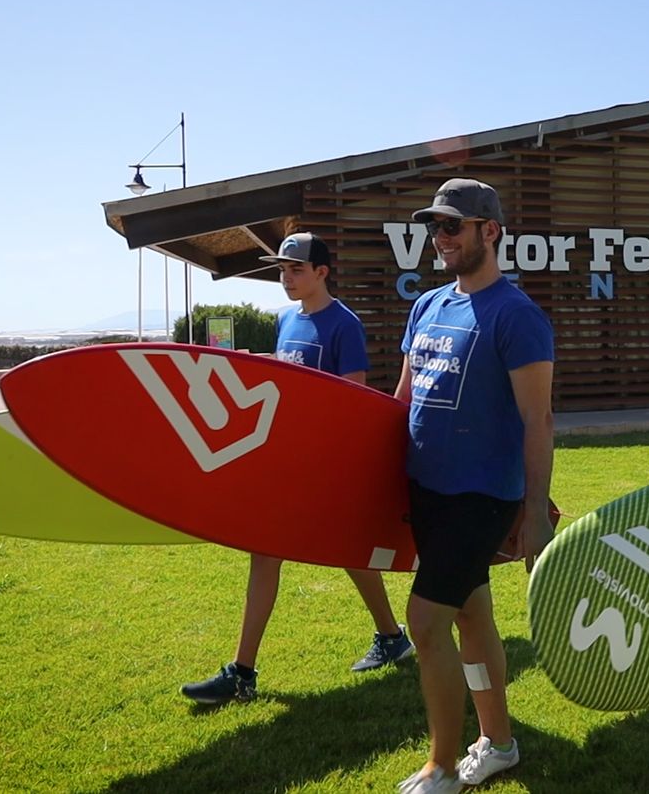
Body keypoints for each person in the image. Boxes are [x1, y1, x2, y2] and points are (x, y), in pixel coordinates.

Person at [180, 232, 414, 705]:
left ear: (322, 272)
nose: (285, 278)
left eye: (295, 270)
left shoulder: (343, 325)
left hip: (326, 466)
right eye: (281, 270)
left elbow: (352, 403)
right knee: (269, 552)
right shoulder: (284, 318)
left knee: (347, 551)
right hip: (290, 464)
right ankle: (245, 671)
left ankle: (388, 638)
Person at [393, 179, 556, 793]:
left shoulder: (518, 316)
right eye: (434, 227)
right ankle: (501, 741)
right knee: (473, 615)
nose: (440, 238)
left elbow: (537, 420)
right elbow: (403, 401)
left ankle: (441, 764)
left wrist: (534, 511)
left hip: (482, 496)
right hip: (426, 491)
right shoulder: (427, 306)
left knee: (426, 623)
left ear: (490, 231)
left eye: (452, 226)